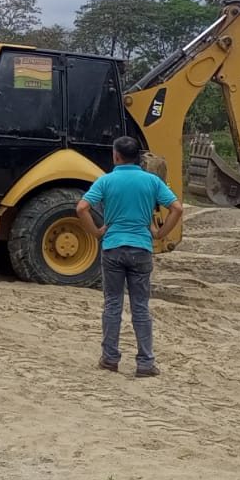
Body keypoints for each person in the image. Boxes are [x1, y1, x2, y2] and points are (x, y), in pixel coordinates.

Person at [75, 135, 183, 377]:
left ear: (116, 155)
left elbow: (82, 208)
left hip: (113, 247)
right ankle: (145, 363)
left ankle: (110, 359)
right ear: (137, 157)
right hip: (141, 248)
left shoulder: (105, 181)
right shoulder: (152, 181)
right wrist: (160, 233)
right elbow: (176, 208)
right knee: (140, 307)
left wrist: (96, 231)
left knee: (113, 304)